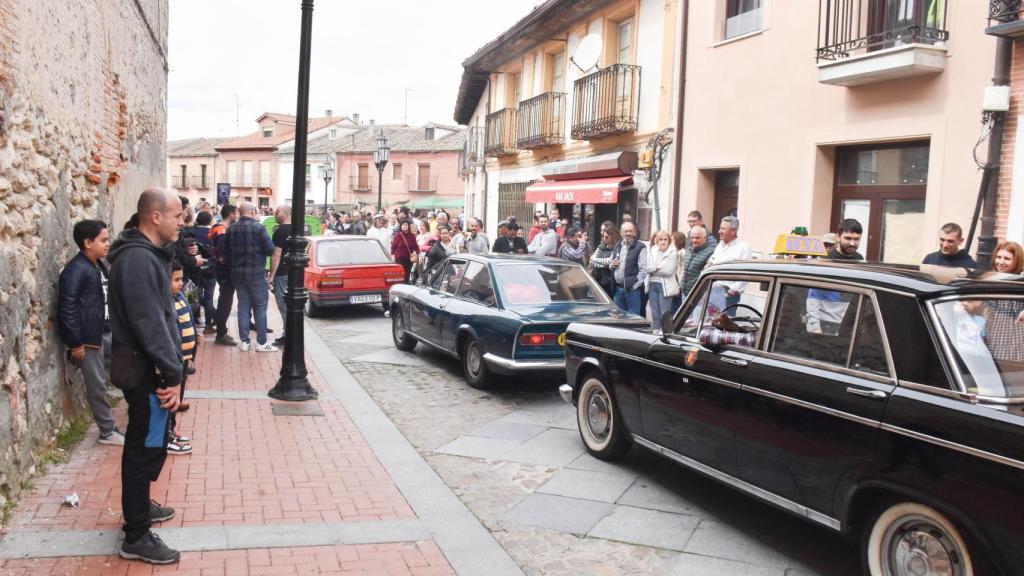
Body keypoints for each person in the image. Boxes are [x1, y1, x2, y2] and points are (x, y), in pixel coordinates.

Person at [107, 188, 184, 565]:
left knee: (149, 444)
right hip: (147, 373)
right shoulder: (138, 259)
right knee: (145, 448)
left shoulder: (147, 254)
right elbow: (148, 322)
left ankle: (140, 508)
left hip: (151, 369)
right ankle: (136, 534)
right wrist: (170, 373)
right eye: (177, 216)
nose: (181, 223)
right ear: (155, 217)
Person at [58, 219, 123, 446]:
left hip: (103, 332)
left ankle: (108, 425)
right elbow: (67, 308)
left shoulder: (98, 265)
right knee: (95, 384)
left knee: (104, 379)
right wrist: (76, 343)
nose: (108, 244)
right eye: (103, 240)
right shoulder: (76, 270)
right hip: (88, 339)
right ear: (87, 242)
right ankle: (107, 430)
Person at [225, 202, 277, 353]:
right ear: (253, 212)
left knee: (243, 306)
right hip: (256, 273)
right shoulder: (259, 228)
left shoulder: (231, 229)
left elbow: (226, 252)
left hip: (237, 274)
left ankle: (244, 342)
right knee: (260, 307)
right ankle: (261, 342)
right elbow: (270, 250)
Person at [167, 261, 195, 456]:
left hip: (184, 357)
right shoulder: (165, 301)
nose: (180, 283)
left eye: (181, 279)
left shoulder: (179, 296)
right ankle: (166, 437)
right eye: (176, 279)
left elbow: (188, 320)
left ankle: (171, 430)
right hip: (174, 358)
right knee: (170, 400)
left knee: (178, 397)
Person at [707, 216, 751, 314]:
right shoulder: (720, 245)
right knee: (711, 325)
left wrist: (731, 291)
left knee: (725, 326)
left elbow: (746, 274)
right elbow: (712, 261)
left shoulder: (743, 248)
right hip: (713, 292)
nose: (719, 231)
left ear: (733, 231)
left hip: (728, 295)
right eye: (720, 228)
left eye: (723, 229)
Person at [267, 204, 292, 348]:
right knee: (292, 305)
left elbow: (276, 255)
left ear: (284, 213)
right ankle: (288, 333)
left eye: (277, 212)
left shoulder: (280, 231)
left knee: (284, 306)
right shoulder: (297, 230)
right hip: (295, 273)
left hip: (282, 273)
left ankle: (288, 335)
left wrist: (271, 276)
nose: (275, 215)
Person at [644, 230, 680, 329]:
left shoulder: (673, 253)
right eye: (660, 239)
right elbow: (645, 268)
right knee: (655, 315)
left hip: (665, 287)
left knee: (664, 315)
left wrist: (652, 270)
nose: (663, 242)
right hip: (652, 285)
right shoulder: (652, 251)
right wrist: (656, 268)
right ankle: (656, 335)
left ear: (669, 241)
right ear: (657, 241)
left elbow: (668, 272)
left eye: (665, 239)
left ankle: (665, 337)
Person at [610, 222, 647, 316]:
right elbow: (611, 263)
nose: (628, 233)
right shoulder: (617, 246)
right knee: (618, 318)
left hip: (632, 291)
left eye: (630, 231)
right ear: (621, 233)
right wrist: (612, 265)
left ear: (634, 233)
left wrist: (634, 286)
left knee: (633, 318)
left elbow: (644, 269)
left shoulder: (640, 247)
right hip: (618, 289)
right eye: (626, 231)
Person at [188, 211, 216, 333]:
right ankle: (209, 325)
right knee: (209, 297)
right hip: (211, 269)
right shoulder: (213, 233)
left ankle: (192, 322)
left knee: (194, 295)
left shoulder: (191, 232)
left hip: (195, 268)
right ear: (210, 221)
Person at [589, 224, 620, 297]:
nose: (604, 238)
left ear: (613, 237)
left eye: (606, 237)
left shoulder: (617, 248)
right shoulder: (601, 246)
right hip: (597, 280)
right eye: (603, 236)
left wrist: (598, 261)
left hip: (609, 283)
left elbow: (610, 260)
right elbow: (591, 261)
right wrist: (604, 264)